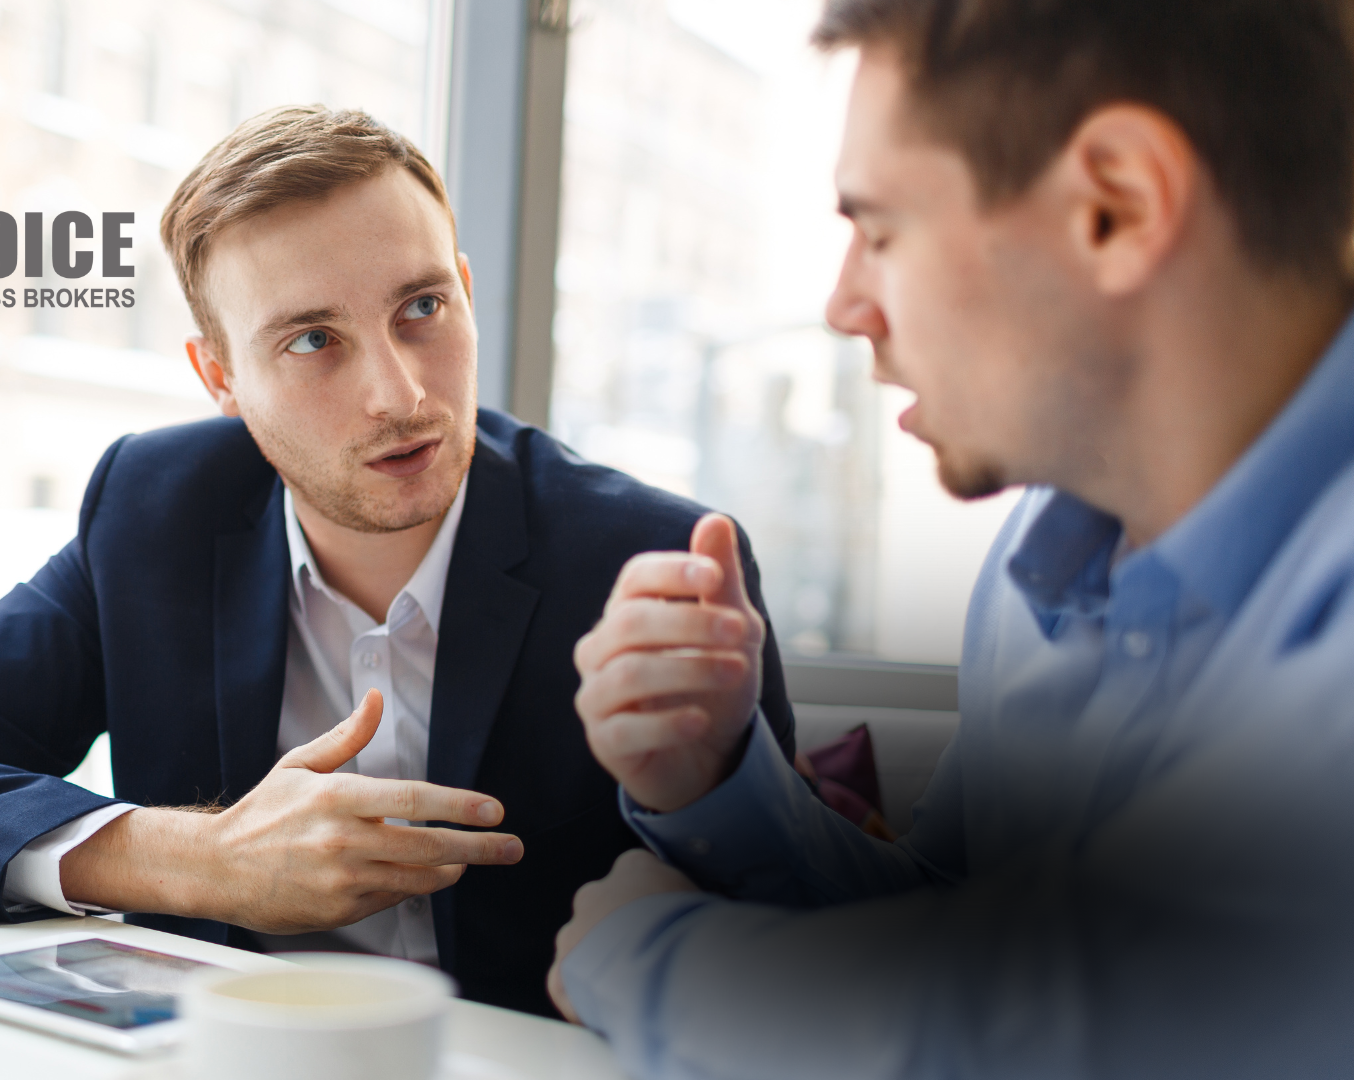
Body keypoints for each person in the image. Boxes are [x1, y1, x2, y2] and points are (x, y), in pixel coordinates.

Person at [0, 106, 800, 1016]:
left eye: (423, 307)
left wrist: (710, 790)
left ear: (467, 294)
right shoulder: (155, 511)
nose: (398, 393)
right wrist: (202, 862)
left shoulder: (653, 557)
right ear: (219, 376)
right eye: (314, 341)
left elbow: (799, 934)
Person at [549, 0, 1354, 1074]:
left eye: (879, 230)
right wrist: (718, 782)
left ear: (1114, 206)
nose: (844, 306)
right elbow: (974, 929)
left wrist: (647, 959)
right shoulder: (1041, 573)